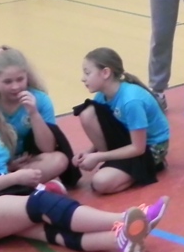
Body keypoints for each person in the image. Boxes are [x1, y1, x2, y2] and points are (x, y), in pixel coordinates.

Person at [0, 75, 167, 252]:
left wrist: (11, 168)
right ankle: (126, 219)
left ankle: (117, 240)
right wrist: (15, 177)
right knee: (43, 203)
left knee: (49, 226)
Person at [73, 48, 171, 195]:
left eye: (87, 73)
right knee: (87, 113)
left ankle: (148, 168)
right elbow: (109, 128)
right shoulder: (101, 96)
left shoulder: (131, 101)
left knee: (100, 183)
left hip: (150, 147)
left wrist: (98, 157)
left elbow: (138, 148)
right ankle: (117, 164)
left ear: (105, 73)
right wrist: (89, 152)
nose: (83, 78)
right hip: (129, 139)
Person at [0, 46, 79, 188]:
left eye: (20, 79)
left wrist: (34, 113)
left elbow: (48, 148)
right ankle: (15, 186)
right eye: (8, 82)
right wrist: (8, 164)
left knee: (59, 160)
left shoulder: (40, 100)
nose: (15, 86)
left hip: (28, 162)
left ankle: (12, 187)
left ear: (27, 76)